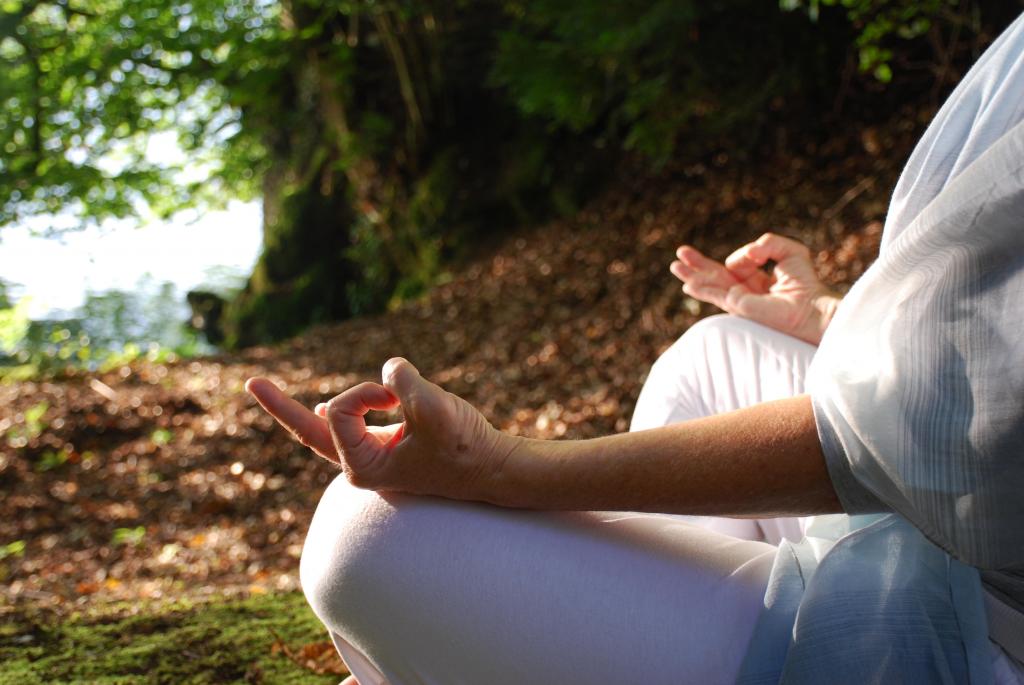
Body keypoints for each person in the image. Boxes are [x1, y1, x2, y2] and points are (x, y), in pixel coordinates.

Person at [247, 12, 1024, 684]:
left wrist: (499, 466)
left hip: (978, 628)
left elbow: (899, 448)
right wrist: (834, 317)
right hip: (953, 516)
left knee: (367, 532)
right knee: (714, 350)